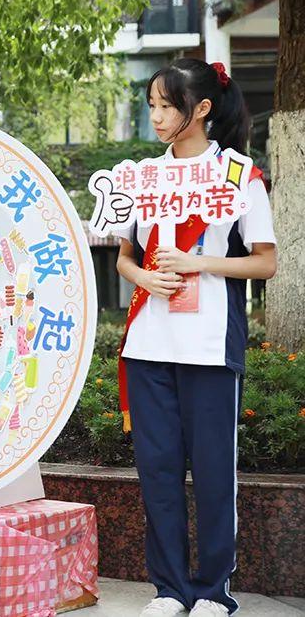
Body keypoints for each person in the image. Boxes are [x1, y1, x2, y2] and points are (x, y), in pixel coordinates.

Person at [116, 59, 277, 617]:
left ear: (202, 108)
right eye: (152, 106)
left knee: (213, 476)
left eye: (168, 106)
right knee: (157, 474)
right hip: (148, 345)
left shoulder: (238, 174)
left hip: (209, 345)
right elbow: (125, 258)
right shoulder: (142, 176)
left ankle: (213, 591)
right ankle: (168, 589)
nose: (157, 117)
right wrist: (145, 279)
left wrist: (197, 262)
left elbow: (265, 263)